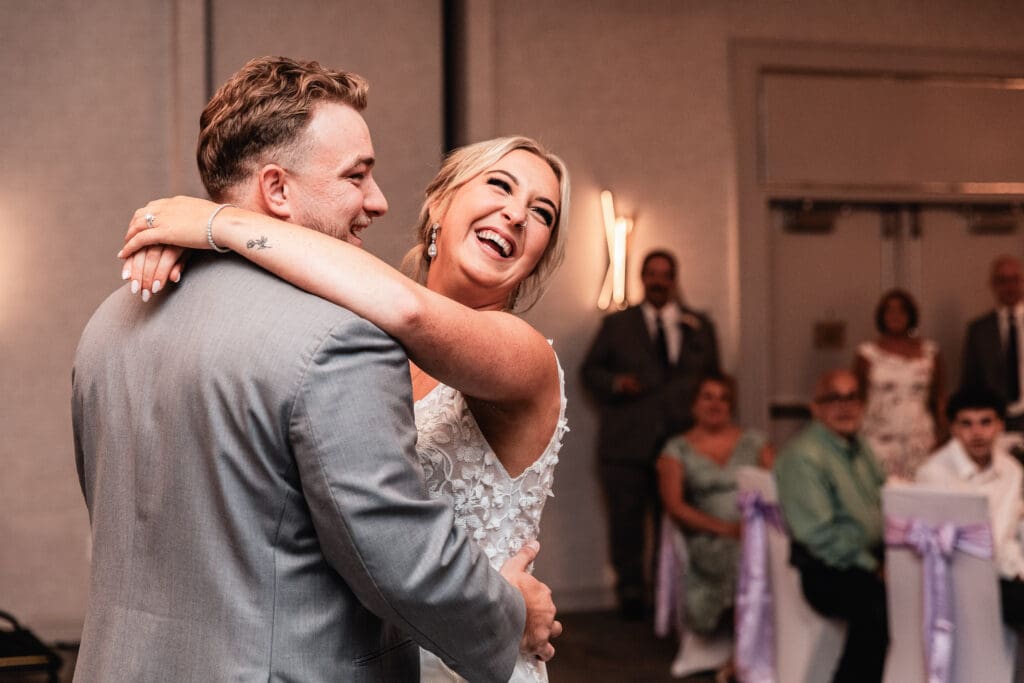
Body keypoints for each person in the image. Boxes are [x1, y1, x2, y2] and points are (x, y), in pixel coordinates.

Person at [74, 56, 558, 683]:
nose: (377, 201)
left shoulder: (109, 323)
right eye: (357, 175)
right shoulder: (342, 339)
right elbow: (399, 560)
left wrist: (213, 220)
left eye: (543, 212)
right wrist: (511, 610)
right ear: (275, 189)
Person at [581, 249, 720, 619]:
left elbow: (714, 378)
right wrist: (616, 382)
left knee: (676, 521)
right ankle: (630, 594)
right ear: (642, 278)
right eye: (652, 274)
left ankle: (671, 595)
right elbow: (589, 371)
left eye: (665, 274)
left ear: (675, 279)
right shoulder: (617, 325)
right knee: (626, 522)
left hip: (680, 444)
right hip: (626, 443)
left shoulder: (698, 326)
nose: (658, 281)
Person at [656, 374, 773, 679]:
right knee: (739, 557)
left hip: (757, 532)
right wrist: (724, 529)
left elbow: (777, 489)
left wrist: (754, 529)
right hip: (706, 535)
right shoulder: (676, 449)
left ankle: (761, 648)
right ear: (694, 404)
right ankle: (743, 652)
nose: (716, 404)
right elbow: (675, 506)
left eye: (723, 397)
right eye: (708, 396)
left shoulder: (755, 442)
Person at [774, 369, 888, 683]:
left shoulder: (859, 446)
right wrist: (874, 567)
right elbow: (819, 536)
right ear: (816, 407)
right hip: (826, 569)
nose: (845, 406)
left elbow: (883, 500)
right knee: (877, 610)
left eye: (852, 397)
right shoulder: (804, 456)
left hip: (867, 556)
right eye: (834, 398)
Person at [916, 386, 1024, 626]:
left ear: (1000, 426)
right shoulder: (933, 474)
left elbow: (1006, 534)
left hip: (1003, 571)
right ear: (953, 428)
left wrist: (1018, 569)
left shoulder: (1010, 470)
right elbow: (941, 545)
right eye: (967, 424)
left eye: (985, 422)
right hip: (958, 579)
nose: (977, 432)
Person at [854, 288, 945, 481]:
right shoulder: (867, 354)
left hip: (919, 438)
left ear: (910, 315)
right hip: (878, 438)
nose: (895, 316)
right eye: (889, 310)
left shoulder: (930, 353)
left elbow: (939, 398)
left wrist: (942, 436)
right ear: (881, 316)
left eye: (901, 311)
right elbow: (857, 399)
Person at [962, 255, 1024, 433]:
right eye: (1003, 281)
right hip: (995, 417)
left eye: (1014, 280)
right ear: (993, 285)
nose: (1010, 287)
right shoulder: (979, 329)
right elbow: (970, 380)